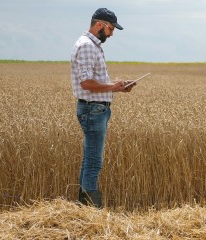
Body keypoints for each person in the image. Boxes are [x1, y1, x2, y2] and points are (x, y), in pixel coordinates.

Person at [71, 7, 134, 208]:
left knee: (89, 161)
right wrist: (113, 87)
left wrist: (117, 88)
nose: (112, 33)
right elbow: (86, 83)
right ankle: (91, 212)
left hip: (95, 109)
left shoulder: (91, 45)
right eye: (110, 28)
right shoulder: (88, 46)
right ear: (100, 24)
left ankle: (83, 210)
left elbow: (93, 82)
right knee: (94, 163)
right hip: (93, 110)